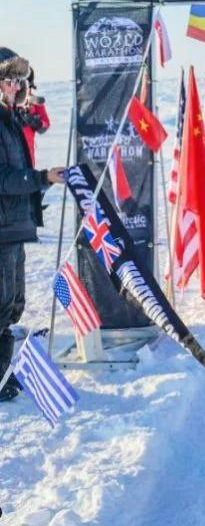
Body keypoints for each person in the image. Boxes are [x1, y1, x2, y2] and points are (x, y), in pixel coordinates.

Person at [0, 48, 64, 402]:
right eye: (8, 80)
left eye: (18, 81)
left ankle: (3, 374)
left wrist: (41, 182)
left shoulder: (12, 120)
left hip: (15, 223)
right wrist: (40, 178)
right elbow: (3, 179)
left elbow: (41, 125)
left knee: (13, 304)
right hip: (3, 226)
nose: (15, 87)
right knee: (2, 305)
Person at [17, 67, 51, 167]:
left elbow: (45, 125)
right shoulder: (8, 99)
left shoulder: (34, 101)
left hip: (28, 149)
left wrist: (34, 121)